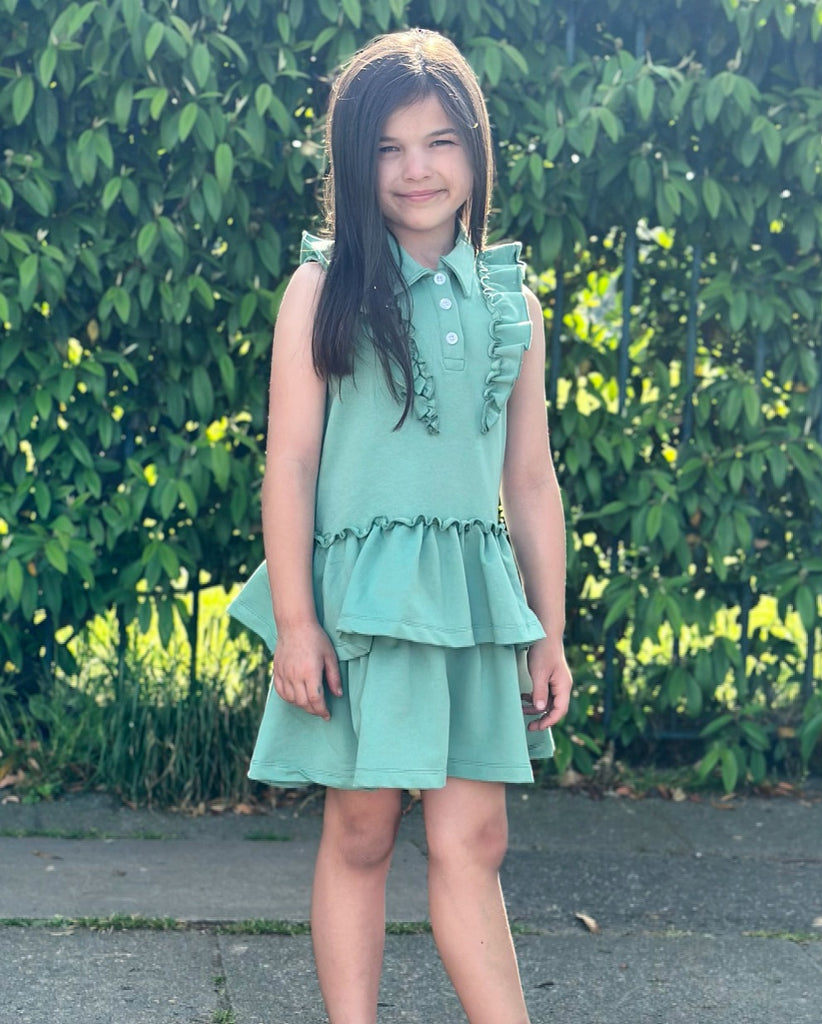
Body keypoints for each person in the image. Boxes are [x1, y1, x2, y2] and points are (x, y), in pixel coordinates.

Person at [229, 27, 571, 1024]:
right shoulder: (321, 287)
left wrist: (548, 630)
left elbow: (530, 478)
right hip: (363, 608)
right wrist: (297, 621)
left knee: (476, 839)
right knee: (363, 830)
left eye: (439, 142)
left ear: (476, 150)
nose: (417, 169)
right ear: (353, 160)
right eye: (388, 148)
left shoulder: (511, 301)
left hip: (470, 607)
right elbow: (290, 464)